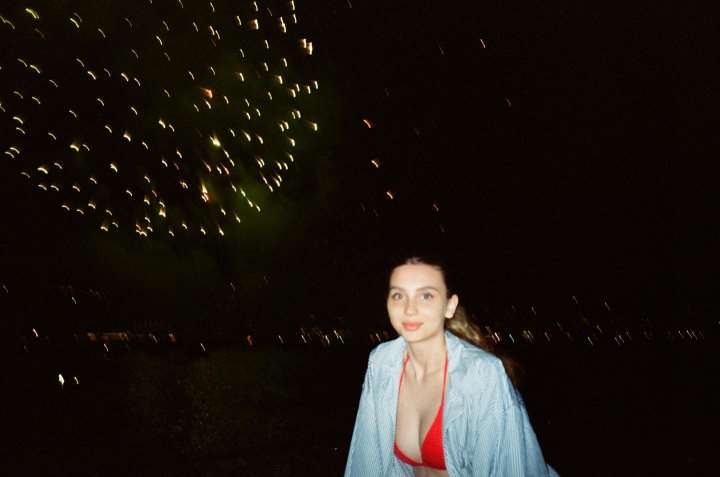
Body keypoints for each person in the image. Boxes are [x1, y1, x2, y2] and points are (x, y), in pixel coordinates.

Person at [345, 256, 559, 476]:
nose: (409, 309)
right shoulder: (381, 363)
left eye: (426, 295)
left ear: (449, 306)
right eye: (398, 295)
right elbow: (366, 459)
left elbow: (509, 467)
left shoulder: (482, 375)